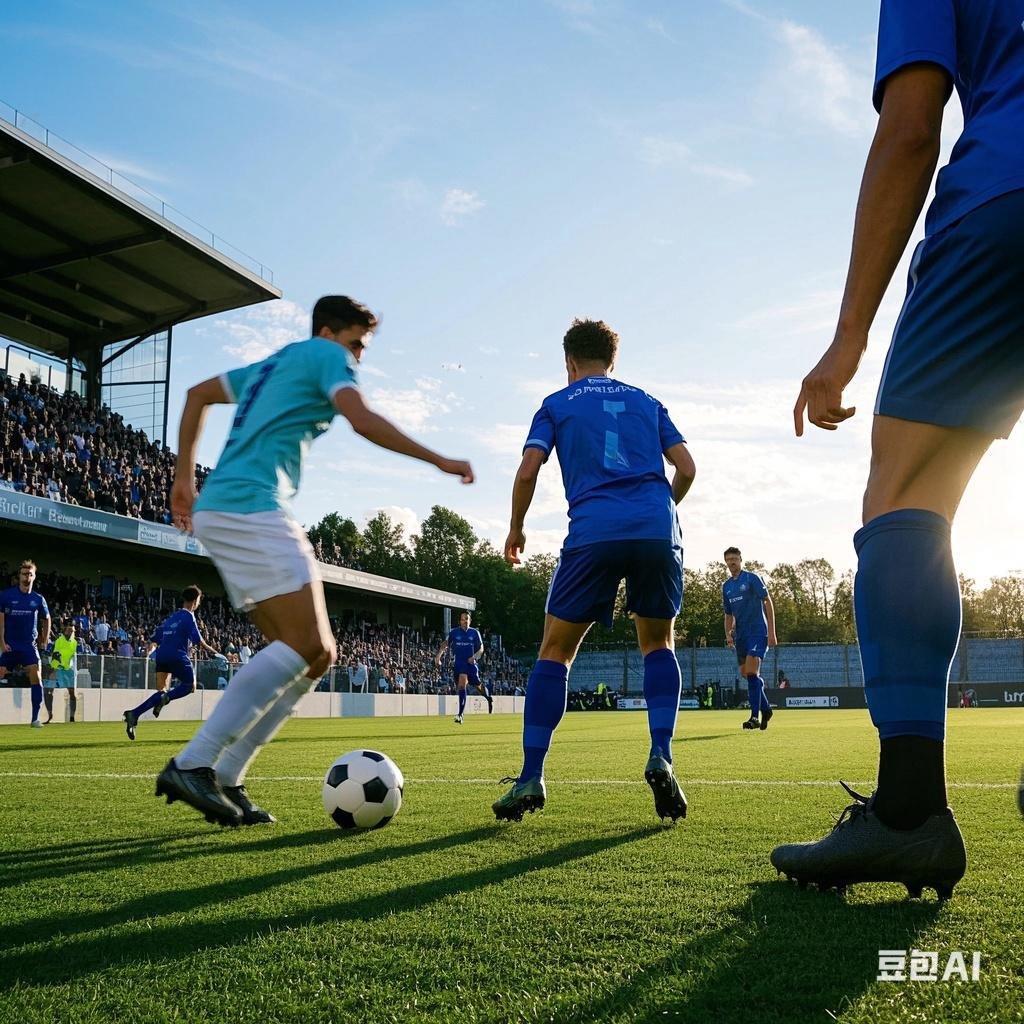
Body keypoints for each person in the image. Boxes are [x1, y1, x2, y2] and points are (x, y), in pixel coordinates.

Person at [780, 0, 1024, 892]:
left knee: (908, 495)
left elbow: (912, 127)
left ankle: (911, 813)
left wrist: (849, 334)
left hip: (1005, 201)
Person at [157, 294, 473, 827]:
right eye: (355, 344)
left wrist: (183, 477)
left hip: (226, 507)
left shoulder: (274, 362)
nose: (357, 359)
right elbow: (362, 419)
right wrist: (437, 459)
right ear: (328, 332)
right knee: (309, 645)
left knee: (317, 654)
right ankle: (193, 763)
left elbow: (196, 394)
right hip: (250, 507)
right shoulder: (325, 356)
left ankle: (228, 775)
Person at [493, 318, 695, 823]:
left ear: (569, 363)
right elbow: (687, 467)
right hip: (655, 526)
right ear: (613, 361)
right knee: (658, 643)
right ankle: (661, 756)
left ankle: (531, 777)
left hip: (593, 532)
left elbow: (526, 470)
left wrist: (515, 529)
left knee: (555, 651)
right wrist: (660, 509)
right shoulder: (648, 402)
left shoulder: (556, 405)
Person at [123, 586, 220, 743]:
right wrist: (216, 653)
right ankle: (166, 699)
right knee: (190, 686)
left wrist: (148, 653)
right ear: (196, 600)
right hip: (177, 655)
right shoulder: (189, 616)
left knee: (161, 691)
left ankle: (134, 714)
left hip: (162, 656)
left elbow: (154, 640)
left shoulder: (170, 618)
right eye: (200, 600)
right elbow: (199, 641)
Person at [722, 547, 778, 730]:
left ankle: (755, 716)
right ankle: (766, 709)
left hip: (757, 632)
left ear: (740, 560)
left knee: (752, 673)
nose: (731, 562)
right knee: (746, 674)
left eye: (734, 559)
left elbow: (767, 601)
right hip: (741, 636)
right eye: (728, 559)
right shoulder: (727, 586)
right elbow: (728, 614)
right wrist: (728, 635)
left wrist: (772, 632)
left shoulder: (752, 578)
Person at [0, 560, 51, 727]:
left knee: (36, 675)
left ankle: (35, 718)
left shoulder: (38, 599)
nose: (26, 577)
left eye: (30, 574)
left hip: (29, 646)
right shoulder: (7, 595)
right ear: (19, 576)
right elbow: (0, 619)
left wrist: (44, 639)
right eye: (24, 574)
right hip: (10, 645)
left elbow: (47, 618)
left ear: (34, 577)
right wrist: (1, 642)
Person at [435, 611, 491, 722]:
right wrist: (438, 657)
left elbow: (481, 649)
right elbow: (445, 644)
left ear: (470, 621)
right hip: (460, 663)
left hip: (471, 664)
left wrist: (474, 656)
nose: (465, 621)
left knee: (478, 686)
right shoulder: (454, 632)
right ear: (460, 621)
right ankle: (460, 715)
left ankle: (489, 699)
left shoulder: (475, 633)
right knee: (461, 685)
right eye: (463, 619)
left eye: (467, 619)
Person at [46, 621, 79, 723]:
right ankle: (50, 715)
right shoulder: (59, 641)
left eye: (72, 629)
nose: (71, 631)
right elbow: (56, 655)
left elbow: (72, 657)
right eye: (69, 629)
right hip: (58, 669)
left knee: (72, 693)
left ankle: (72, 717)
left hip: (69, 670)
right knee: (48, 691)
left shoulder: (75, 642)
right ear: (65, 629)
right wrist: (54, 669)